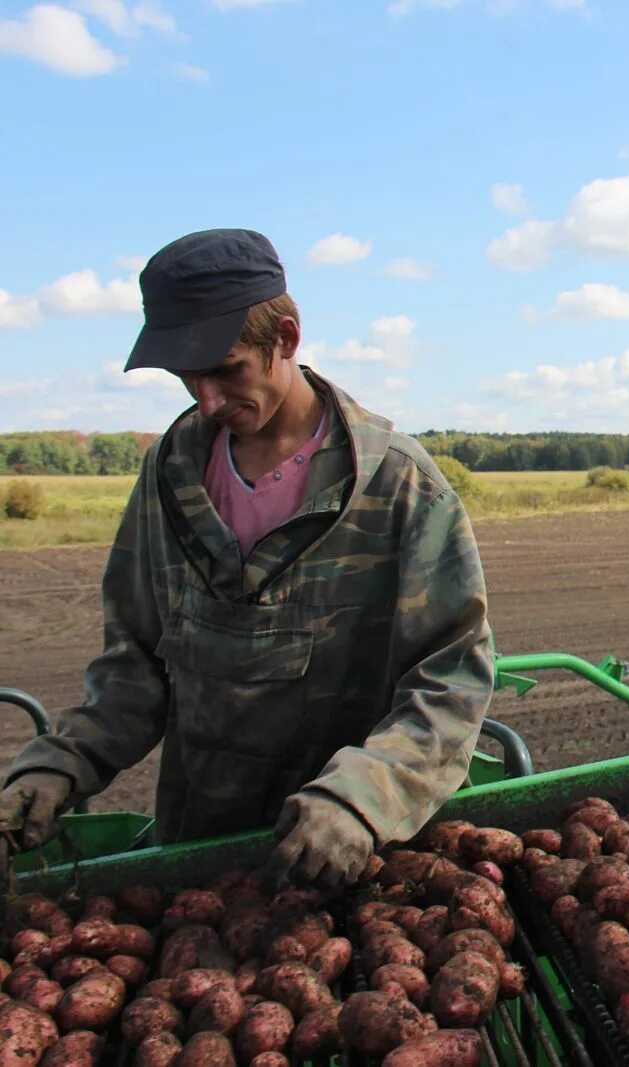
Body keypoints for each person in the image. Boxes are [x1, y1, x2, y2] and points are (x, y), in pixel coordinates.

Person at [0, 229, 495, 889]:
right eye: (187, 376)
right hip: (197, 852)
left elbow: (452, 679)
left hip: (347, 862)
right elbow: (135, 664)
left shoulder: (395, 483)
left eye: (226, 369)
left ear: (285, 339)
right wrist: (61, 760)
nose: (206, 400)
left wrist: (363, 795)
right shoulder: (169, 475)